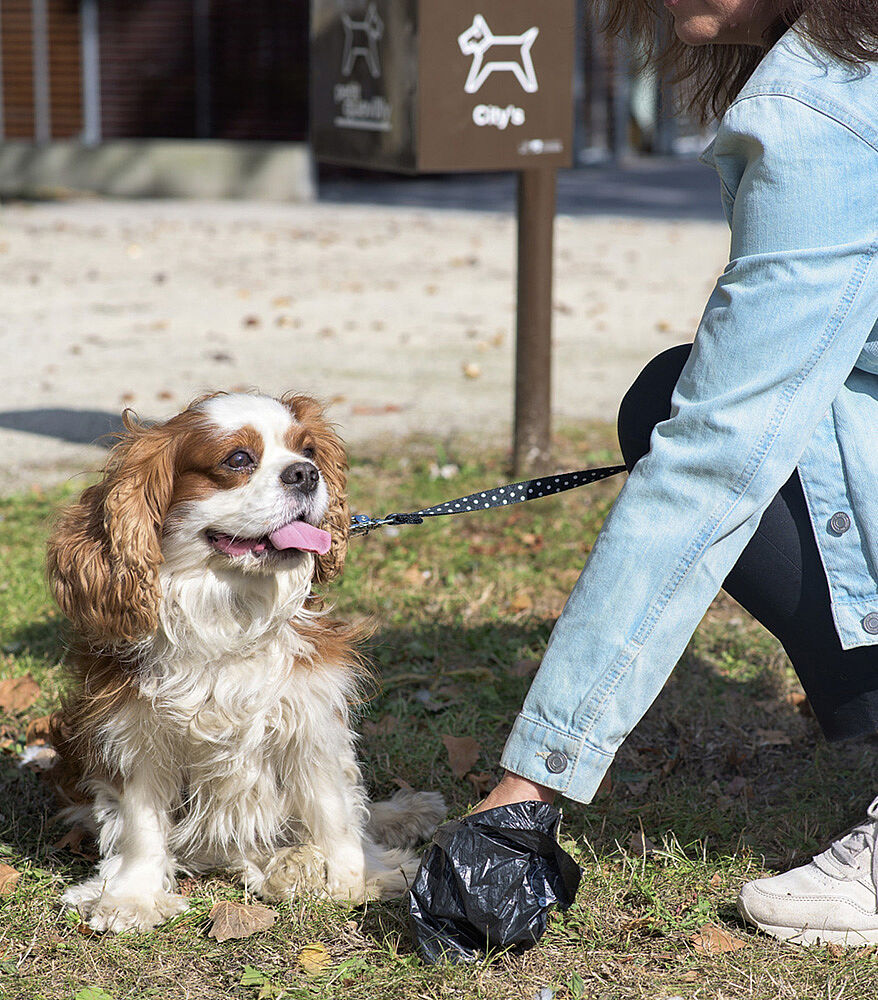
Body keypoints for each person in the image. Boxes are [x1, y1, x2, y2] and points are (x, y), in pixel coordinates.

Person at [465, 0, 878, 948]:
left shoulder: (827, 107)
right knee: (671, 391)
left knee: (684, 417)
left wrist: (529, 786)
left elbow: (718, 456)